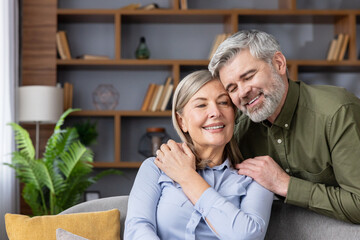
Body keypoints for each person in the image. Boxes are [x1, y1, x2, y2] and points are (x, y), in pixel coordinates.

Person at [205, 29, 360, 223]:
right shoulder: (238, 132)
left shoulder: (337, 112)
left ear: (278, 63)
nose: (243, 92)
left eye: (248, 76)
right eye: (232, 88)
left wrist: (285, 185)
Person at [124, 70, 274, 239]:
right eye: (201, 105)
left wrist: (187, 177)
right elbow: (137, 229)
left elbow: (248, 236)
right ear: (182, 121)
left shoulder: (256, 176)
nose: (215, 113)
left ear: (234, 114)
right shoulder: (156, 167)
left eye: (223, 102)